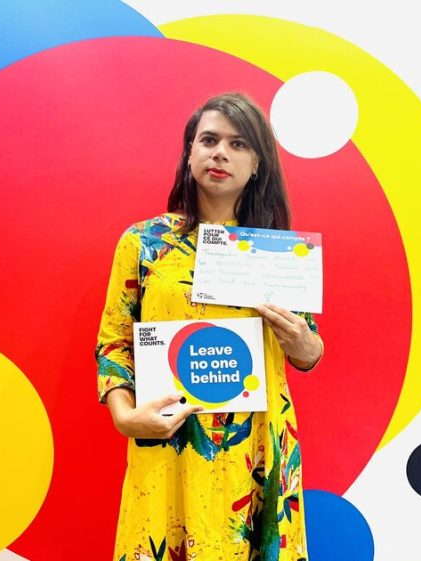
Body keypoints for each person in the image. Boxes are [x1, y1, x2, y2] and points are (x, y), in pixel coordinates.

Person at [95, 92, 324, 561]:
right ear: (189, 153)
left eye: (238, 144)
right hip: (170, 440)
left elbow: (308, 351)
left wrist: (304, 343)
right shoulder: (144, 243)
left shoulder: (276, 253)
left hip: (256, 446)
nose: (220, 153)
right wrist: (125, 416)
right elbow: (114, 343)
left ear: (257, 164)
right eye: (209, 140)